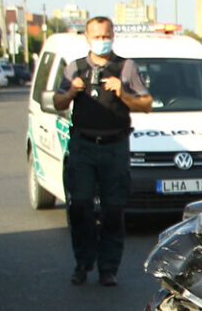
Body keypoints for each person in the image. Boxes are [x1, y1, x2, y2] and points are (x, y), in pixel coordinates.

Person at [52, 17, 153, 286]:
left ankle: (108, 268)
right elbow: (57, 101)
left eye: (106, 36)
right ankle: (83, 262)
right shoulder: (75, 68)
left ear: (113, 36)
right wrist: (72, 92)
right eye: (96, 36)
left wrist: (123, 93)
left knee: (114, 209)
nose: (101, 41)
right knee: (80, 205)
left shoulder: (126, 67)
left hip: (114, 146)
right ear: (87, 38)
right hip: (84, 145)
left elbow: (146, 104)